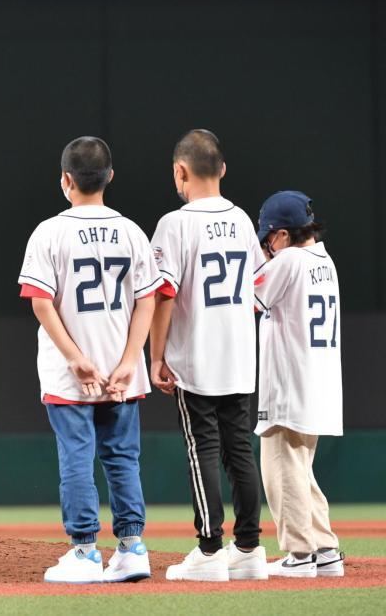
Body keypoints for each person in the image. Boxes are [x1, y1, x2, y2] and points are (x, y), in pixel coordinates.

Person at [19, 137, 160, 584]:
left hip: (68, 372)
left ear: (65, 180)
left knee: (76, 458)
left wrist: (77, 359)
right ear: (110, 177)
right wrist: (129, 360)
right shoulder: (133, 231)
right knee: (122, 458)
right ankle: (133, 548)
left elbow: (41, 302)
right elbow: (148, 301)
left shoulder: (49, 231)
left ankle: (83, 553)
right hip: (122, 367)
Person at [149, 129, 268, 582]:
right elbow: (258, 286)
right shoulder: (241, 220)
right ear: (221, 169)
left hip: (196, 358)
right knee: (240, 451)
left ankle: (210, 548)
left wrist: (155, 355)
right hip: (239, 355)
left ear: (181, 172)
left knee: (203, 450)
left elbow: (163, 294)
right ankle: (250, 548)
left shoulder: (175, 223)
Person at [253, 191, 345, 578]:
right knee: (300, 469)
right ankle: (325, 549)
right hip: (319, 379)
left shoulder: (288, 260)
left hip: (290, 381)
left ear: (285, 235)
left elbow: (248, 297)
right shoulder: (324, 259)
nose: (267, 244)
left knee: (280, 468)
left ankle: (300, 554)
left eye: (270, 236)